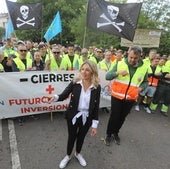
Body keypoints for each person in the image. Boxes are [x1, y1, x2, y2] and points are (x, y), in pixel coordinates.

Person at [46, 60, 101, 168]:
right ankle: (68, 156)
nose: (84, 72)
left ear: (92, 72)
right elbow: (63, 95)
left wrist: (95, 125)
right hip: (73, 116)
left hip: (87, 118)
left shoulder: (96, 87)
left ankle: (78, 153)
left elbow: (96, 107)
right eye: (82, 69)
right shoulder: (75, 83)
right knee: (72, 137)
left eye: (87, 70)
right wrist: (55, 97)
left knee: (81, 137)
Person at [104, 45, 148, 146]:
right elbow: (107, 76)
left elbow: (146, 82)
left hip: (130, 98)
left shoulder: (144, 68)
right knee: (114, 116)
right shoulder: (119, 64)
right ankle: (109, 134)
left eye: (135, 58)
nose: (132, 60)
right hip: (117, 96)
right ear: (128, 54)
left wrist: (141, 88)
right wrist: (118, 72)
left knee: (122, 117)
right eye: (131, 57)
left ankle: (116, 133)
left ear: (140, 56)